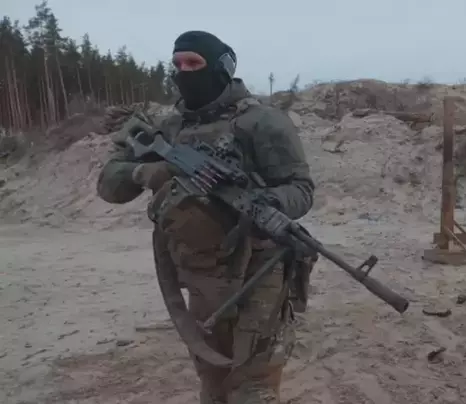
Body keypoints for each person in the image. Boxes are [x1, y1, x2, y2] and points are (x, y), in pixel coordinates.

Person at [96, 30, 316, 404]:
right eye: (177, 64)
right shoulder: (169, 128)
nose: (184, 71)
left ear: (221, 68)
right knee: (213, 385)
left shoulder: (263, 122)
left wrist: (262, 202)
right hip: (201, 274)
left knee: (253, 389)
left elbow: (301, 190)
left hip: (259, 271)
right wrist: (146, 172)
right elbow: (109, 185)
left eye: (194, 63)